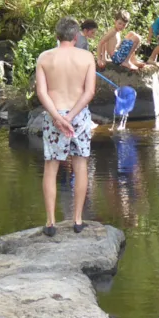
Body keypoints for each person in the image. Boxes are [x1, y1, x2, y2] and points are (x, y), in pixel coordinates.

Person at [35, 17, 96, 236]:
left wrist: (59, 118)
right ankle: (78, 220)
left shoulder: (44, 57)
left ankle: (51, 222)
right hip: (78, 115)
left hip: (54, 116)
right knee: (80, 166)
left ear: (56, 36)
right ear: (77, 36)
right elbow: (89, 92)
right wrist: (70, 116)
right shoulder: (87, 57)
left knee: (51, 168)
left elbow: (42, 92)